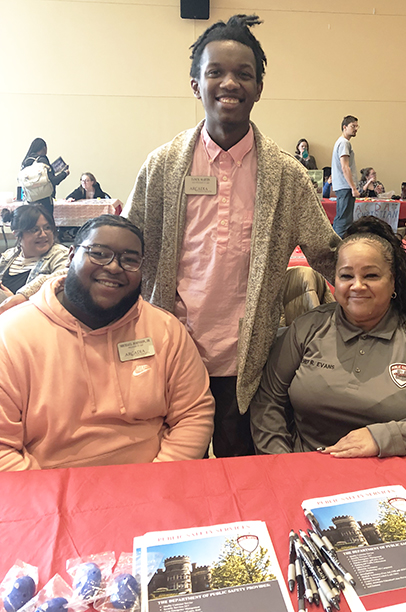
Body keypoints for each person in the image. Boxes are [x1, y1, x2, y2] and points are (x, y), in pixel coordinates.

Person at [123, 15, 339, 458]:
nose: (230, 83)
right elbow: (121, 246)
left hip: (247, 360)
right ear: (195, 84)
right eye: (215, 71)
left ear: (259, 87)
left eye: (244, 73)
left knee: (240, 471)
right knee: (172, 473)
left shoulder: (286, 176)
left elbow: (327, 251)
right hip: (169, 349)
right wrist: (40, 291)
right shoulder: (163, 166)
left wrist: (395, 296)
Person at [250, 216, 406, 458]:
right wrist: (280, 462)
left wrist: (384, 437)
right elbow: (268, 401)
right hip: (305, 472)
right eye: (346, 276)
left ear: (393, 281)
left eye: (371, 276)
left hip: (390, 479)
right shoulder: (307, 329)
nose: (357, 286)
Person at [0, 215, 214, 471]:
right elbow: (3, 450)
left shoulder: (166, 330)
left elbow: (193, 414)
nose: (114, 267)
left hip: (154, 485)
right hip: (50, 495)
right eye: (99, 253)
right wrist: (55, 504)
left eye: (130, 260)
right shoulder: (11, 335)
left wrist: (158, 484)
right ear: (70, 256)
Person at [0, 205, 68, 297]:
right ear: (17, 234)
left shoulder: (61, 256)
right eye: (34, 230)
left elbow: (59, 285)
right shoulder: (9, 256)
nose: (43, 234)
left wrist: (16, 299)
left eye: (47, 228)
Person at [20, 138, 70, 218]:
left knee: (33, 223)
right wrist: (64, 173)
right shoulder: (43, 160)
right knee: (47, 223)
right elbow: (53, 181)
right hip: (45, 200)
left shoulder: (26, 162)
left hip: (30, 201)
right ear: (44, 148)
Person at [331, 116, 360, 238]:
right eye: (353, 126)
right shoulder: (344, 143)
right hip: (345, 186)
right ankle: (337, 249)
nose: (356, 129)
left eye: (357, 126)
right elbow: (345, 167)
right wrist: (353, 187)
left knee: (341, 218)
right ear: (344, 127)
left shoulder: (340, 142)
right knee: (344, 221)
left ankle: (335, 248)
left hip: (342, 186)